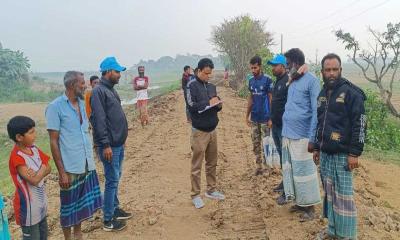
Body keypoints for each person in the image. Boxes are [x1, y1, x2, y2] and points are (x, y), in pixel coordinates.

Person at [314, 53, 366, 240]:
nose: (331, 73)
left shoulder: (352, 94)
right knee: (330, 195)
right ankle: (333, 231)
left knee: (343, 197)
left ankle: (347, 236)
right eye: (328, 70)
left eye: (335, 69)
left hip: (343, 155)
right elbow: (320, 122)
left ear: (340, 70)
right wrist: (318, 147)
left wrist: (354, 153)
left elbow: (360, 124)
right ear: (322, 72)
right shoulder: (322, 94)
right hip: (326, 153)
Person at [46, 71, 102, 240]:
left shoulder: (82, 103)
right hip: (69, 166)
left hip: (85, 162)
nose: (85, 85)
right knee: (68, 207)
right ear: (71, 86)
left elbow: (85, 131)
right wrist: (61, 172)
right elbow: (54, 141)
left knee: (80, 204)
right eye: (82, 83)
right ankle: (68, 238)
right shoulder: (55, 107)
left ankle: (78, 235)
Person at [90, 57, 132, 231]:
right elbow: (99, 120)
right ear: (107, 72)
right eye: (117, 72)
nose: (119, 75)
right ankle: (108, 219)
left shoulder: (111, 90)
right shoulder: (98, 91)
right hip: (109, 146)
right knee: (111, 180)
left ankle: (115, 209)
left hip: (118, 144)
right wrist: (105, 144)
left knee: (116, 177)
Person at [281, 48, 321, 221]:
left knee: (305, 172)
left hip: (303, 136)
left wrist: (313, 138)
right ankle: (300, 202)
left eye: (288, 64)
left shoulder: (312, 81)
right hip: (289, 134)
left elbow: (315, 111)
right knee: (293, 171)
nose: (286, 67)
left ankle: (310, 208)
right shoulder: (293, 81)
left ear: (296, 63)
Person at [186, 58, 225, 209]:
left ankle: (211, 189)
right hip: (199, 132)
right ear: (199, 71)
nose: (209, 76)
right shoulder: (191, 86)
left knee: (212, 162)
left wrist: (218, 104)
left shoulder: (211, 87)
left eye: (210, 74)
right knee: (197, 165)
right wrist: (208, 104)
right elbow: (191, 106)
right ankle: (195, 195)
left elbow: (217, 104)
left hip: (212, 130)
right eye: (206, 73)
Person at [7, 116, 51, 240]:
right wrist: (43, 167)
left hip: (40, 204)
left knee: (43, 236)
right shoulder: (17, 157)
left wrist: (40, 170)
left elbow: (49, 167)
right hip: (27, 209)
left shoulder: (34, 149)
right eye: (31, 132)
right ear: (19, 137)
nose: (35, 135)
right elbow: (35, 180)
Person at [245, 56, 273, 176]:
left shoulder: (268, 80)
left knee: (266, 143)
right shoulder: (251, 80)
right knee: (255, 143)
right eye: (251, 68)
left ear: (260, 66)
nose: (253, 70)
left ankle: (267, 167)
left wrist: (271, 117)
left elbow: (272, 99)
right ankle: (258, 166)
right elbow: (251, 98)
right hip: (255, 117)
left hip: (265, 118)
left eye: (255, 67)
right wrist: (247, 116)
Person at [267, 54, 289, 200]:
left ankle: (288, 189)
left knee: (286, 158)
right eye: (272, 65)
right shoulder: (277, 81)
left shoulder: (288, 81)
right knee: (282, 156)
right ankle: (284, 182)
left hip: (284, 127)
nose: (273, 68)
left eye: (275, 65)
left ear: (283, 66)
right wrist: (271, 118)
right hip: (275, 124)